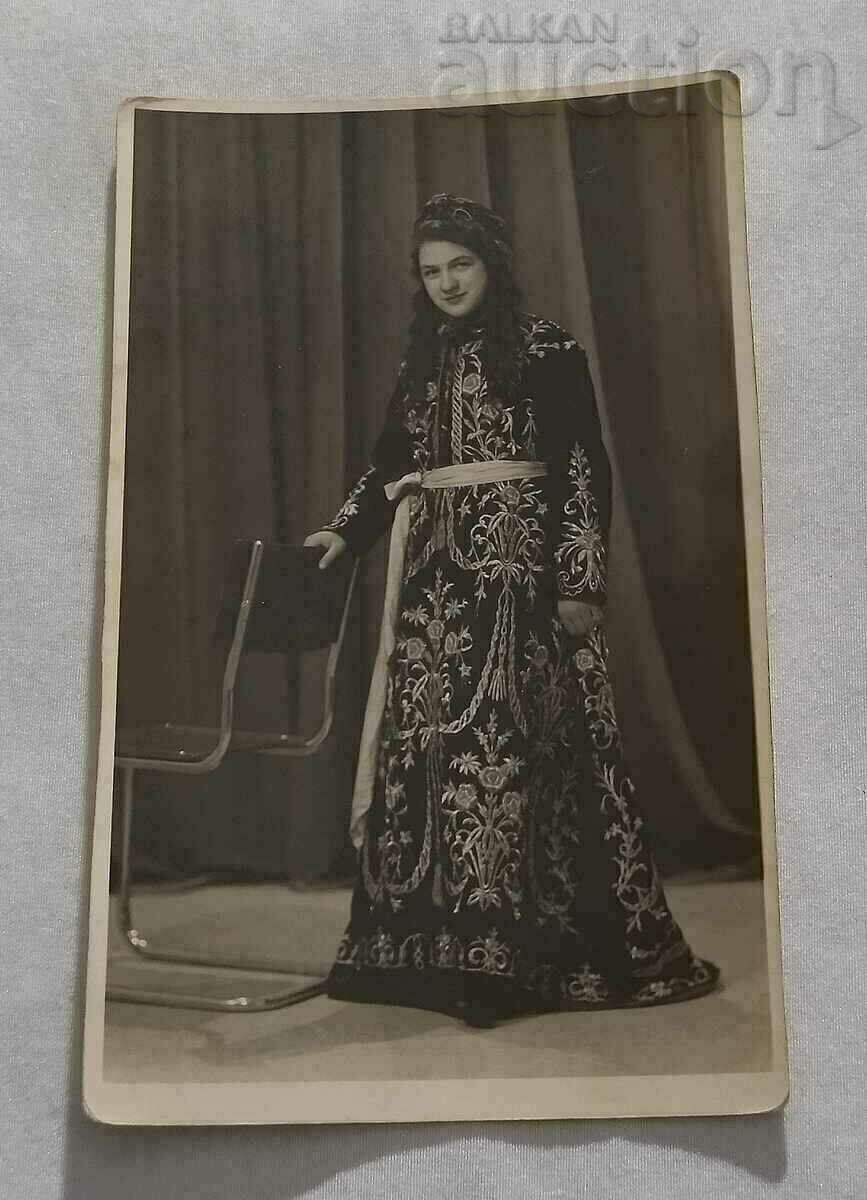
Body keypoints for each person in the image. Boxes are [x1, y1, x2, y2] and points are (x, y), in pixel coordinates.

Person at [304, 193, 720, 1028]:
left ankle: (512, 961)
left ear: (491, 263)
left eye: (460, 264)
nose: (447, 283)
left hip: (517, 582)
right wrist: (344, 533)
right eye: (431, 271)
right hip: (432, 588)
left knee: (517, 758)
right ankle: (434, 954)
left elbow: (579, 467)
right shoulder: (421, 361)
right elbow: (391, 459)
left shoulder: (546, 349)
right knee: (432, 760)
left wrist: (576, 582)